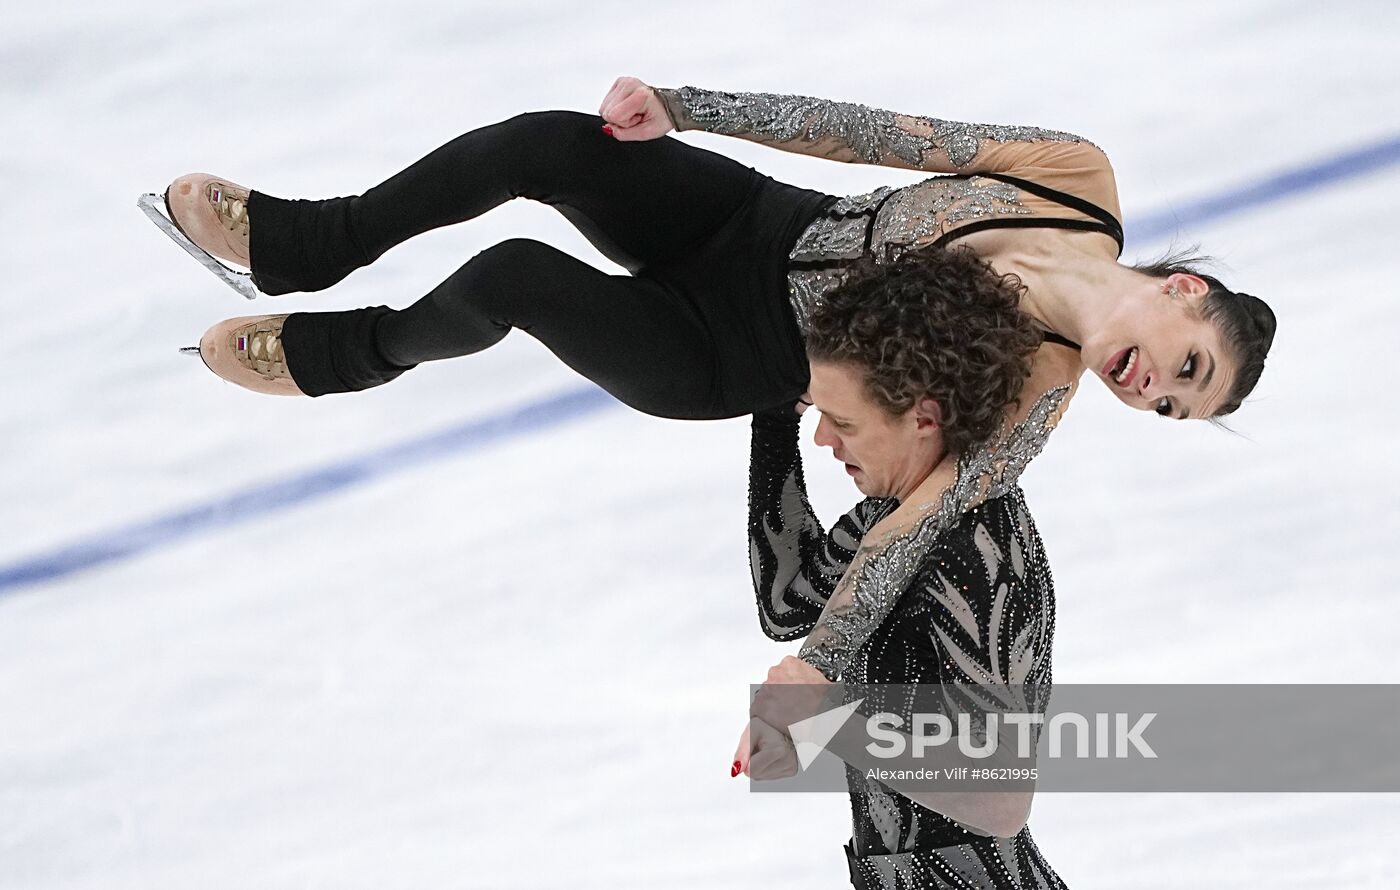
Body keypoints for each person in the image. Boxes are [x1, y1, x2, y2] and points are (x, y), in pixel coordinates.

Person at [154, 76, 1275, 679]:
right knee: (537, 145)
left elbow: (920, 519)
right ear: (1181, 288)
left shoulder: (1039, 387)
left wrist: (819, 662)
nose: (1151, 389)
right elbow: (878, 135)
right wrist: (689, 106)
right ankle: (309, 240)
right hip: (754, 221)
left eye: (1173, 406)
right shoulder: (1074, 178)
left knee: (511, 276)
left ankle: (346, 355)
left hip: (727, 355)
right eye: (1186, 365)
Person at [737, 247, 1064, 888]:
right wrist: (772, 416)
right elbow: (789, 607)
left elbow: (1000, 801)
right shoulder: (889, 520)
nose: (824, 439)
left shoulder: (979, 552)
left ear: (923, 416)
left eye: (844, 421)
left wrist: (827, 719)